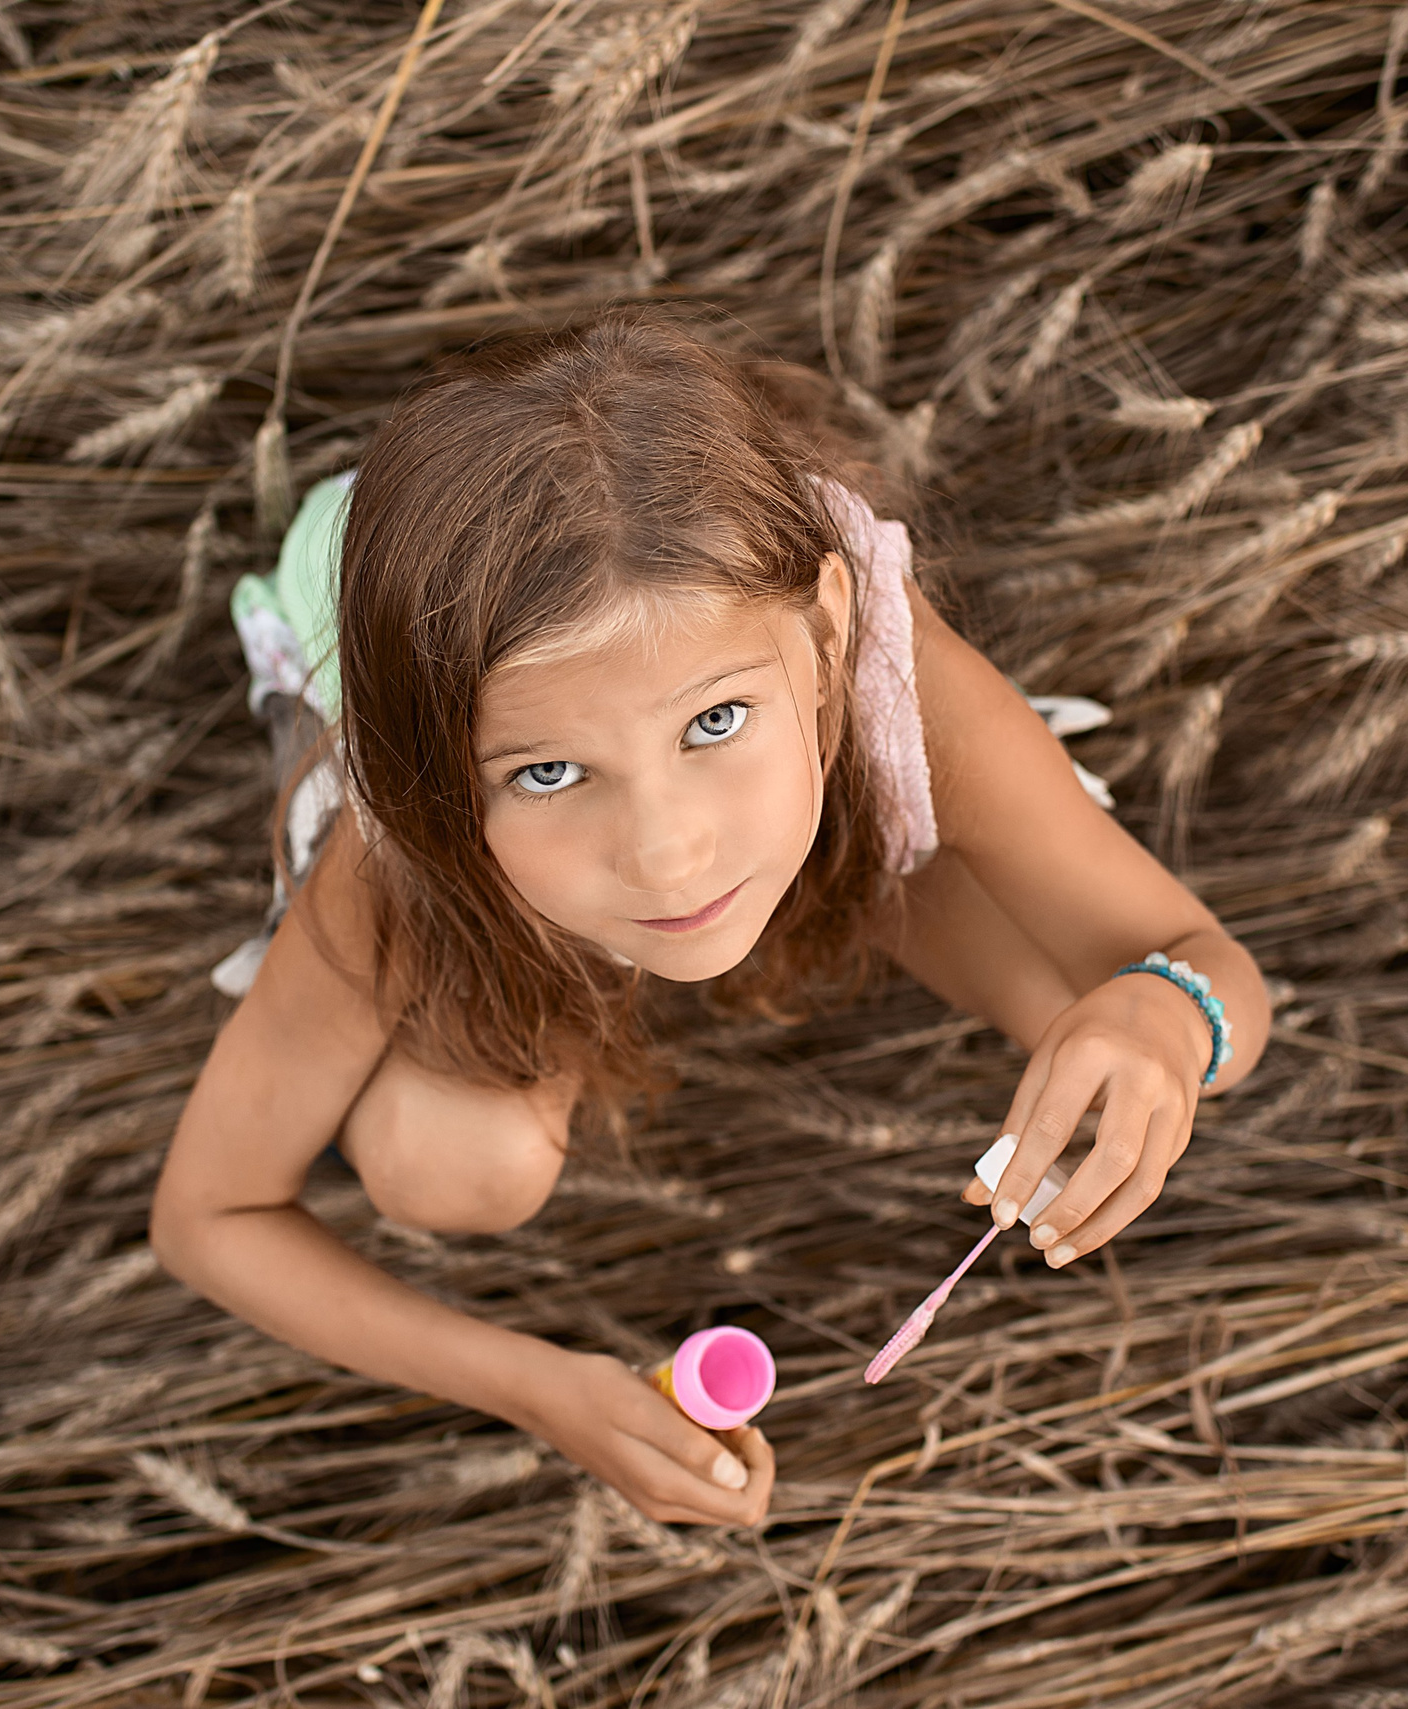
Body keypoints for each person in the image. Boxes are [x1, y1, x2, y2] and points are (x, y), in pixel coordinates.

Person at [151, 310, 1267, 1528]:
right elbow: (212, 1215)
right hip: (381, 623)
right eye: (547, 773)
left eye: (715, 724)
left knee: (1090, 1039)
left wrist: (1164, 1022)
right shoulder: (398, 836)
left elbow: (1208, 967)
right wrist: (547, 1389)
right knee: (458, 1165)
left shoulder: (894, 675)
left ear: (831, 628)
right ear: (438, 777)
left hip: (674, 604)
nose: (667, 852)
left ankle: (796, 826)